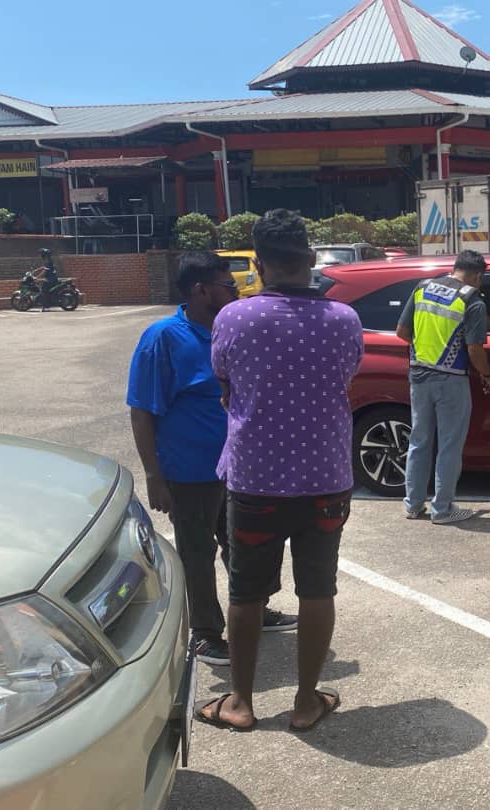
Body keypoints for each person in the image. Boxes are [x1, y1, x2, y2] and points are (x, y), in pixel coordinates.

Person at [204, 209, 363, 733]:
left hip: (255, 479)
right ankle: (304, 702)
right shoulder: (344, 319)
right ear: (310, 259)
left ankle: (241, 703)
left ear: (262, 263)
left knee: (246, 593)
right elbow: (346, 377)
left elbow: (224, 378)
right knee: (318, 590)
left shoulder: (234, 317)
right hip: (324, 478)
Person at [127, 253, 296, 669]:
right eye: (227, 285)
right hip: (189, 473)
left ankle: (254, 609)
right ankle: (204, 633)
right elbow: (142, 409)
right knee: (197, 553)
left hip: (239, 467)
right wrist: (154, 475)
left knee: (247, 547)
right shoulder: (163, 338)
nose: (236, 291)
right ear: (200, 290)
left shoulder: (230, 329)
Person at [396, 250, 490, 524]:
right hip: (450, 379)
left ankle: (413, 505)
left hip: (418, 375)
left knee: (419, 442)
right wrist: (487, 374)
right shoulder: (472, 300)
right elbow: (475, 350)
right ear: (477, 275)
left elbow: (402, 332)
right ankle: (443, 509)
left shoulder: (423, 287)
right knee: (449, 446)